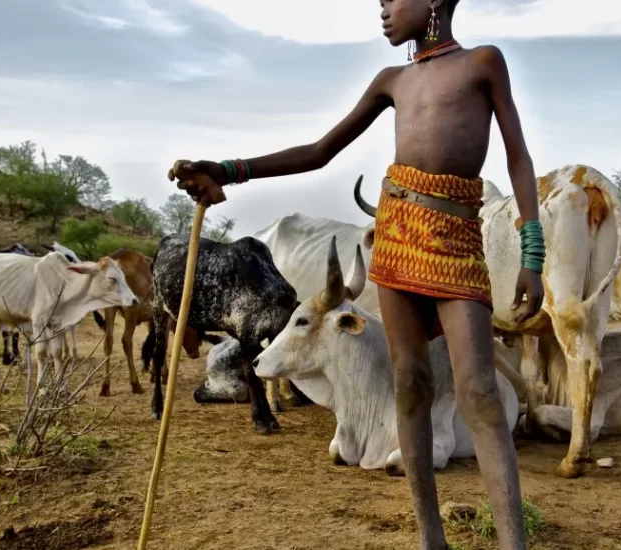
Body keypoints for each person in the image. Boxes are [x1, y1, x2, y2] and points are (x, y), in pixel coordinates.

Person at [169, 0, 543, 547]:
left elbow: (518, 158)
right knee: (411, 384)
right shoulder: (391, 80)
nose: (384, 7)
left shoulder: (483, 63)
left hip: (457, 241)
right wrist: (228, 170)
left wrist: (532, 250)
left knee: (479, 390)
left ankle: (514, 543)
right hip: (395, 235)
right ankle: (430, 539)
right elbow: (321, 151)